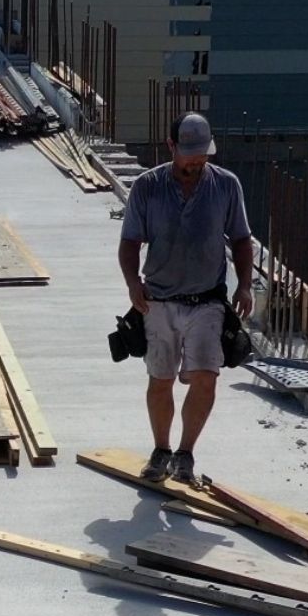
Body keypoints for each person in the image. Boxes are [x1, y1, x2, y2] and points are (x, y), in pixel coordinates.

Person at [117, 112, 255, 486]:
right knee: (160, 379)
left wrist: (244, 285)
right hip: (158, 301)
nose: (196, 161)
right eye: (189, 153)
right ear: (171, 146)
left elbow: (241, 240)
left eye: (202, 154)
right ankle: (161, 450)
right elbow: (129, 243)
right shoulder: (148, 187)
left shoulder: (226, 186)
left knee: (206, 377)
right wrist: (132, 283)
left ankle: (185, 453)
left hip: (207, 301)